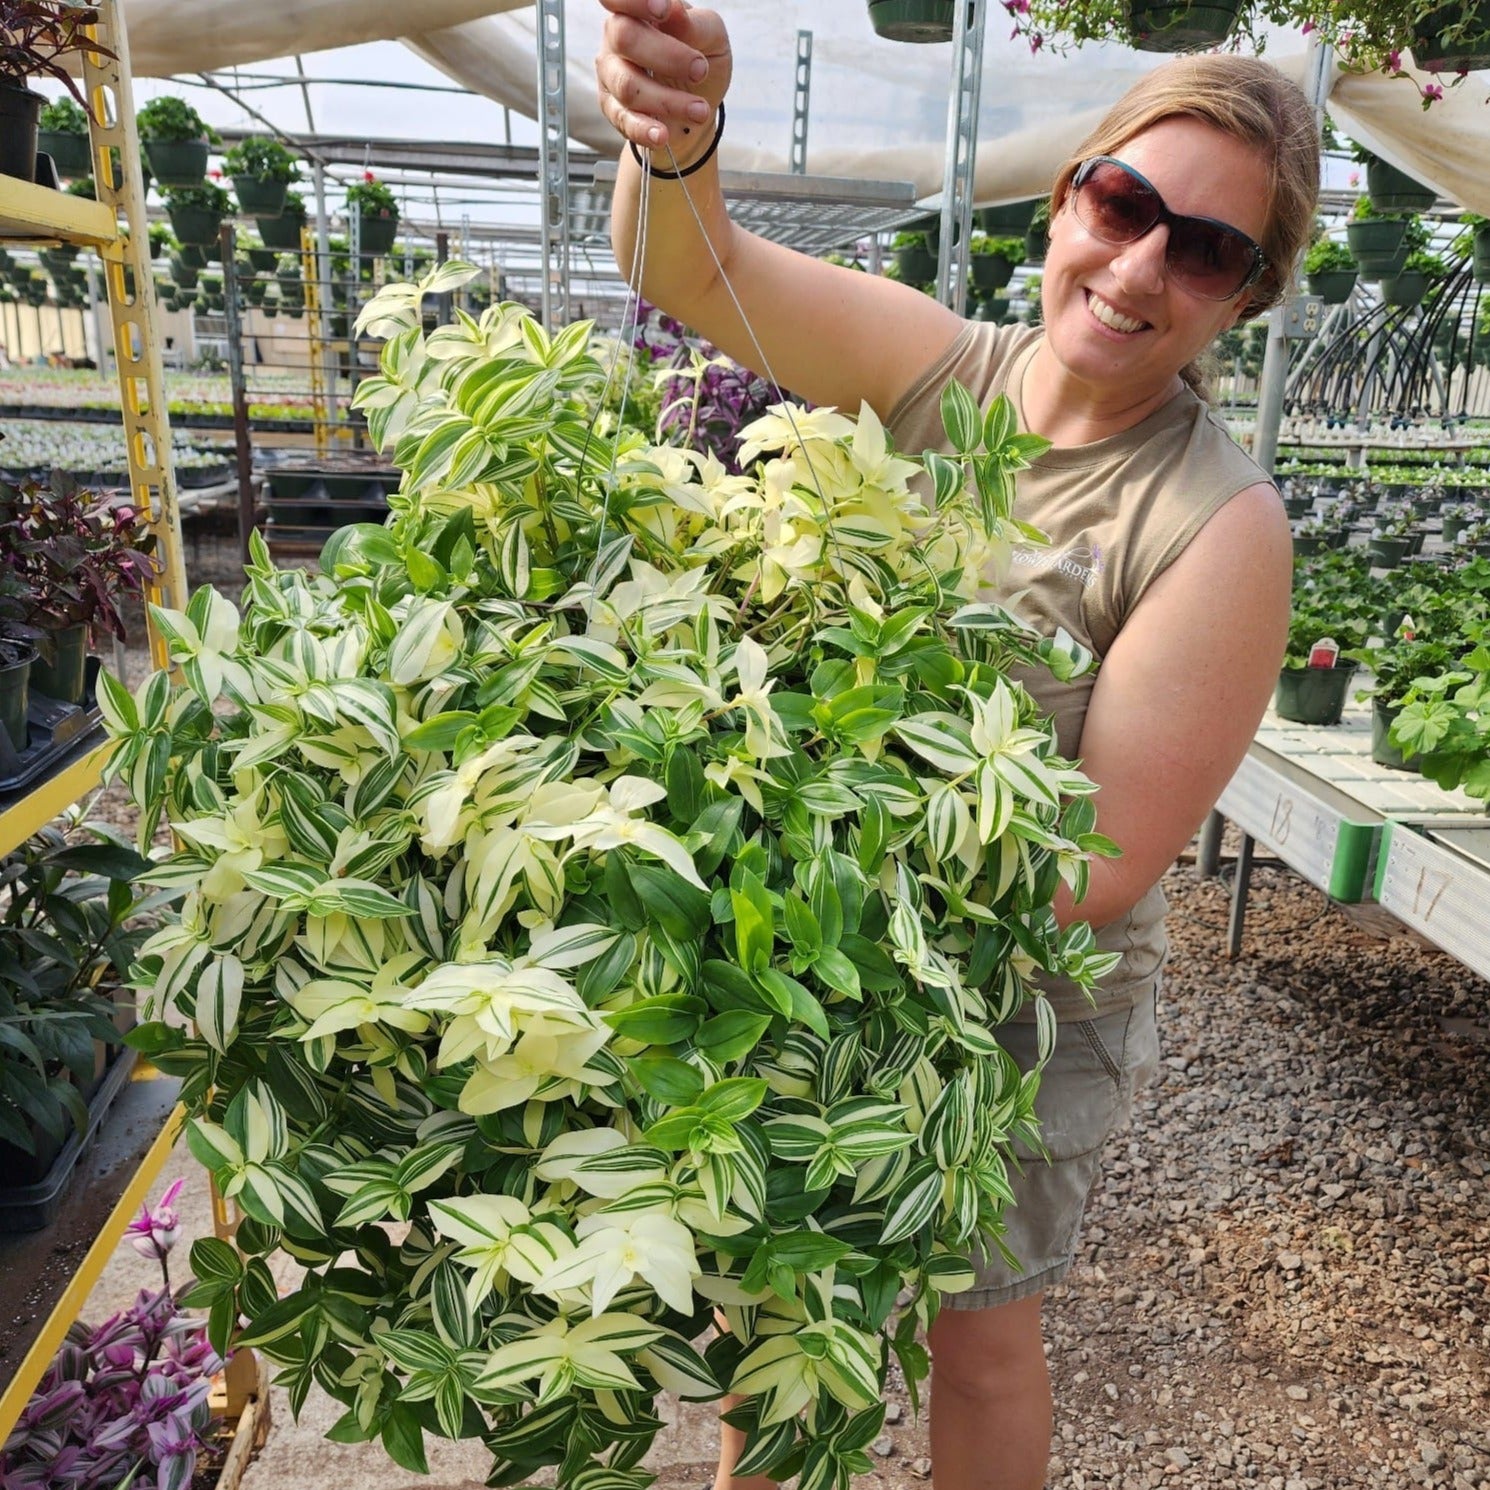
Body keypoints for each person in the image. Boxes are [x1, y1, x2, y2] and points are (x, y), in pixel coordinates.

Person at [595, 7, 1320, 1488]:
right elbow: (684, 263)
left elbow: (1093, 865)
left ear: (1244, 299)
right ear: (1067, 196)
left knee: (973, 1331)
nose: (1134, 269)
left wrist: (786, 854)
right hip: (810, 941)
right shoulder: (941, 370)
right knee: (782, 1294)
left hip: (1010, 1003)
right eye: (1123, 206)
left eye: (1202, 251)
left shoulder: (1214, 525)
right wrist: (675, 138)